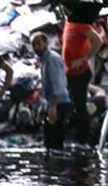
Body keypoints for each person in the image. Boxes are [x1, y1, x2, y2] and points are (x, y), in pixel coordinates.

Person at [61, 9, 104, 145]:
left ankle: (83, 140)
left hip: (80, 72)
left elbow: (98, 41)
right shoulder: (69, 23)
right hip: (70, 72)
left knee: (80, 107)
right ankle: (78, 135)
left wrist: (84, 59)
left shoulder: (81, 25)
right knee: (75, 104)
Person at [31, 32, 71, 150]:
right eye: (34, 45)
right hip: (53, 103)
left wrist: (53, 107)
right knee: (50, 142)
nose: (36, 47)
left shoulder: (51, 59)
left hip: (59, 104)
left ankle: (58, 167)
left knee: (55, 142)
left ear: (46, 43)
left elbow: (56, 84)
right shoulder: (44, 60)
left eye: (38, 43)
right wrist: (45, 107)